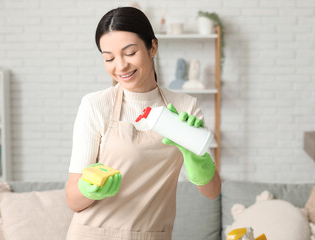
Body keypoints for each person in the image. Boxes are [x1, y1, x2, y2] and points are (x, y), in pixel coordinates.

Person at [66, 6, 221, 240]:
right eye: (109, 58)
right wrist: (90, 189)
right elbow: (72, 199)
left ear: (153, 47)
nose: (120, 66)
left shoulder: (184, 107)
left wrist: (196, 158)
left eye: (129, 53)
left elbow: (211, 192)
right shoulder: (96, 105)